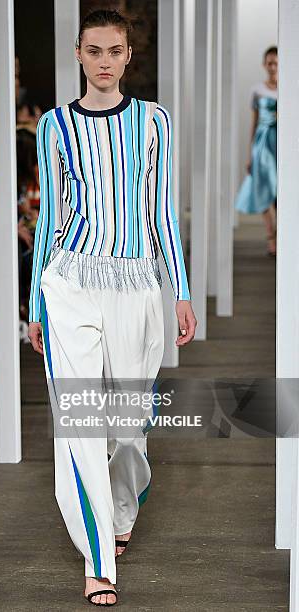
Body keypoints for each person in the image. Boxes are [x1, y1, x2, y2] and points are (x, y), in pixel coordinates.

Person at [27, 9, 197, 607]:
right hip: (70, 280)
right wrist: (35, 305)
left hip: (137, 286)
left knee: (126, 428)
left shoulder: (155, 121)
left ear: (129, 56)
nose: (104, 60)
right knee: (79, 424)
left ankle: (124, 507)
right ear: (78, 53)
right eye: (94, 50)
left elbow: (163, 211)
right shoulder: (53, 126)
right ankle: (98, 558)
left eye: (114, 50)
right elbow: (49, 216)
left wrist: (179, 290)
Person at [234, 46, 278, 256]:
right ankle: (271, 237)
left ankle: (281, 235)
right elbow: (254, 122)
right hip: (263, 143)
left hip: (282, 144)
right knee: (264, 190)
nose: (272, 67)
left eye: (276, 63)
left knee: (280, 192)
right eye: (269, 63)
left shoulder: (289, 87)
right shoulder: (257, 90)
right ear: (264, 64)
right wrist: (250, 154)